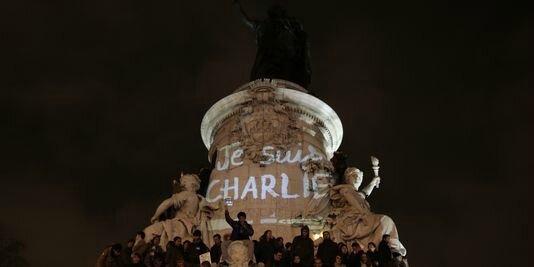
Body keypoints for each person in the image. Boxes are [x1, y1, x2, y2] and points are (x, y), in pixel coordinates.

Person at [232, 0, 311, 88]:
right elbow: (248, 22)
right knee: (265, 68)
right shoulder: (265, 24)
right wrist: (238, 8)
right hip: (269, 53)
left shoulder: (289, 24)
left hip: (285, 53)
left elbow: (300, 35)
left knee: (288, 69)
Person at [330, 168, 405, 256]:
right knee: (384, 220)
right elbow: (351, 198)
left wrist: (373, 181)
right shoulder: (345, 190)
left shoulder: (357, 194)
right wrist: (363, 212)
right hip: (351, 220)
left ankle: (379, 248)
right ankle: (376, 249)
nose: (357, 178)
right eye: (354, 176)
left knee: (385, 221)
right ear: (347, 178)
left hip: (362, 217)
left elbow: (365, 192)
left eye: (360, 177)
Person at [145, 174, 219, 246]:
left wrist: (155, 216)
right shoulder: (197, 198)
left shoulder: (186, 194)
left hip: (180, 223)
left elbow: (166, 203)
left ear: (192, 184)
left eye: (184, 182)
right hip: (189, 226)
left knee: (149, 231)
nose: (182, 184)